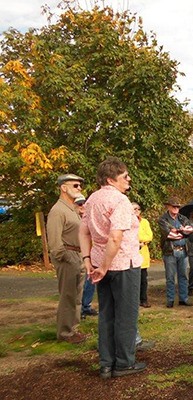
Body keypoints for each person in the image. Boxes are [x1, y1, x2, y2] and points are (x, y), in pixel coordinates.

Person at [79, 157, 146, 378]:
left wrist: (89, 261)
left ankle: (106, 363)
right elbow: (115, 238)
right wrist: (105, 266)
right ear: (110, 179)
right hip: (121, 265)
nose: (129, 179)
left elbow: (84, 232)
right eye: (124, 176)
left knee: (106, 314)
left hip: (99, 263)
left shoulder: (91, 199)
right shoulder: (120, 201)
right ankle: (124, 363)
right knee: (126, 315)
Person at [47, 173, 87, 344]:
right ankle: (64, 333)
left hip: (77, 254)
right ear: (64, 188)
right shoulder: (58, 210)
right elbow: (55, 241)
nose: (79, 189)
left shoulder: (72, 209)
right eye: (75, 186)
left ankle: (72, 329)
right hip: (68, 255)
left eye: (80, 186)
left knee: (77, 296)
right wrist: (65, 257)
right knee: (68, 296)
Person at [158, 197, 193, 308]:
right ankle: (170, 299)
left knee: (183, 276)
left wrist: (179, 231)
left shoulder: (182, 218)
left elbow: (191, 229)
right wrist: (182, 231)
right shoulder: (163, 219)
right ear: (168, 206)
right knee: (170, 277)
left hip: (183, 250)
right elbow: (169, 235)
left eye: (178, 206)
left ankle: (184, 298)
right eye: (174, 206)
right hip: (170, 251)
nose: (176, 208)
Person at [75, 194, 98, 319]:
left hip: (91, 254)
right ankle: (78, 310)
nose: (82, 206)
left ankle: (86, 306)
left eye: (84, 203)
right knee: (79, 284)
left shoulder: (90, 218)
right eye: (79, 204)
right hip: (77, 254)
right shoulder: (72, 218)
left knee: (90, 282)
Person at [132, 202, 153, 308]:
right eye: (134, 209)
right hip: (131, 255)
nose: (136, 211)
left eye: (138, 209)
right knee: (132, 280)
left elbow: (149, 236)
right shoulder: (126, 221)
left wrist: (140, 240)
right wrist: (138, 241)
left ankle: (143, 299)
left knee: (143, 280)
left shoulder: (144, 222)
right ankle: (133, 300)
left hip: (142, 254)